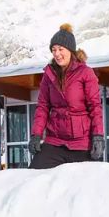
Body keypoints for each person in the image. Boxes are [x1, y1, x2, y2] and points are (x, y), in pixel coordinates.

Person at [29, 23, 104, 169]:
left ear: (70, 50)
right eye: (53, 50)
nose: (56, 54)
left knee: (89, 182)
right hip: (55, 141)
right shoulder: (49, 75)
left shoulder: (86, 73)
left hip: (81, 142)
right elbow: (43, 107)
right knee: (33, 176)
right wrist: (36, 135)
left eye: (60, 49)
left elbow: (95, 107)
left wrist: (98, 137)